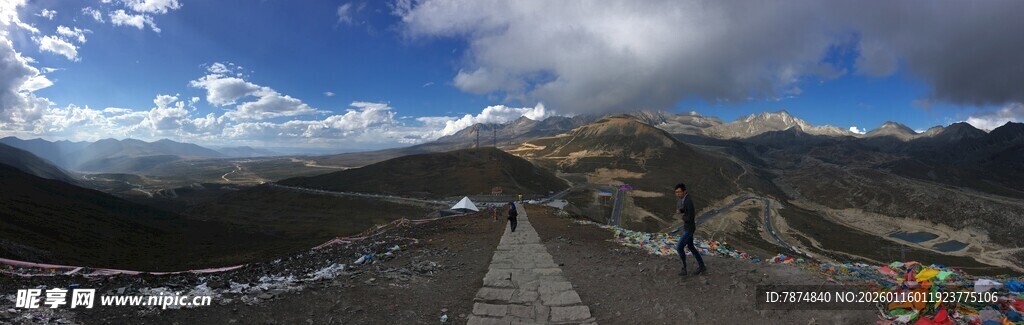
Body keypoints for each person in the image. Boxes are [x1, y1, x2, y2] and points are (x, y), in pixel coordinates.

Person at [670, 182, 705, 276]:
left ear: (684, 191)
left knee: (679, 248)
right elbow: (687, 211)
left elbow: (690, 217)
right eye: (676, 192)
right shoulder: (685, 199)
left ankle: (684, 269)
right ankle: (702, 266)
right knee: (691, 247)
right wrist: (681, 211)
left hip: (688, 229)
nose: (677, 194)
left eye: (679, 192)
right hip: (688, 227)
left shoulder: (687, 201)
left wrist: (683, 217)